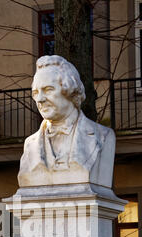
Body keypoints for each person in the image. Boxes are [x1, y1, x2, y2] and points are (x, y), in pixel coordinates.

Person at [18, 55, 115, 188]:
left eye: (48, 90)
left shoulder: (103, 136)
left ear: (70, 90)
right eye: (35, 92)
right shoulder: (30, 144)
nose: (39, 99)